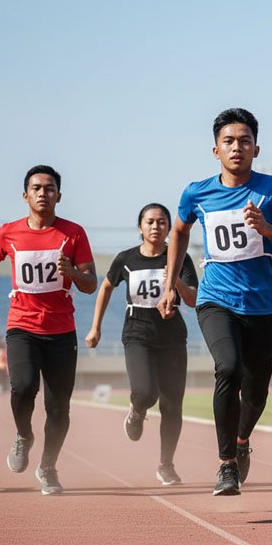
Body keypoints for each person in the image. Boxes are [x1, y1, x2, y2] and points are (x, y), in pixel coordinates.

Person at [158, 108, 272, 496]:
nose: (236, 147)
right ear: (216, 150)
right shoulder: (197, 192)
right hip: (216, 299)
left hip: (262, 306)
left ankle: (242, 441)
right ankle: (226, 464)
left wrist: (267, 228)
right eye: (228, 141)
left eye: (245, 141)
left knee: (255, 394)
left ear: (256, 149)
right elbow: (179, 231)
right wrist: (170, 283)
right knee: (227, 368)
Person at [0, 165, 97, 495]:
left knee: (59, 408)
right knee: (23, 387)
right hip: (22, 326)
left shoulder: (74, 233)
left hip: (61, 331)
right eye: (37, 188)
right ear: (25, 195)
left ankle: (48, 467)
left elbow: (90, 284)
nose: (43, 193)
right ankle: (23, 435)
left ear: (59, 195)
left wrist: (73, 272)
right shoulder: (8, 233)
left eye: (49, 188)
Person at [85, 203, 198, 486]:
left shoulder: (180, 258)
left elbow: (193, 299)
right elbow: (106, 287)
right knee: (146, 392)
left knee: (172, 406)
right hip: (138, 332)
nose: (156, 227)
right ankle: (137, 411)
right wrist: (96, 327)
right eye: (150, 221)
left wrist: (175, 282)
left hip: (172, 336)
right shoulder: (126, 259)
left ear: (169, 227)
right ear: (140, 226)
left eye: (162, 222)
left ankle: (166, 465)